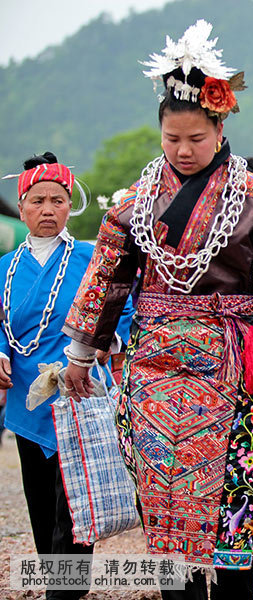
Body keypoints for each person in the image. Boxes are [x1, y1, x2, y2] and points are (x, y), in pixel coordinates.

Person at [61, 21, 253, 599]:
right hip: (157, 368)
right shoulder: (135, 204)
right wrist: (82, 355)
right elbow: (106, 278)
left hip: (237, 365)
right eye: (171, 139)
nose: (183, 151)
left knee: (239, 488)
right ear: (159, 133)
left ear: (220, 127)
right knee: (166, 500)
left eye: (196, 139)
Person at [0, 152, 134, 600]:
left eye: (57, 200)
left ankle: (66, 591)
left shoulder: (92, 258)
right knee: (39, 498)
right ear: (21, 207)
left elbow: (123, 311)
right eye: (37, 200)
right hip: (26, 397)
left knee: (76, 496)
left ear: (69, 206)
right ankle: (57, 580)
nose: (47, 209)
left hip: (80, 395)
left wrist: (104, 344)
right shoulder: (3, 269)